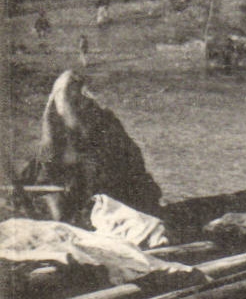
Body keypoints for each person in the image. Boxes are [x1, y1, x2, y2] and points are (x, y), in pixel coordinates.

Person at [23, 69, 162, 228]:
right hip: (81, 201)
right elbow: (47, 183)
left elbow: (127, 170)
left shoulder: (105, 127)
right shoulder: (54, 141)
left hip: (113, 198)